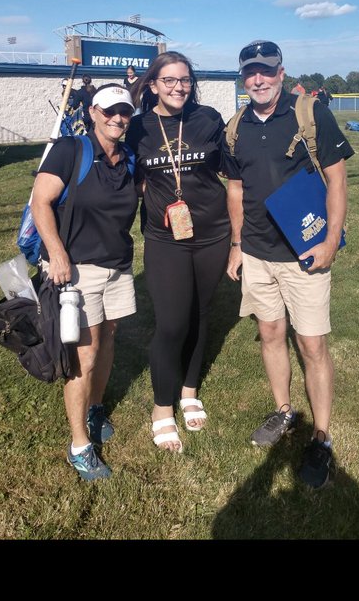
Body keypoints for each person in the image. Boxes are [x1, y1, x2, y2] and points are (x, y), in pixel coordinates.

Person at [223, 39, 354, 489]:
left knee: (313, 346)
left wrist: (332, 240)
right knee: (270, 334)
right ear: (243, 78)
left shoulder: (309, 112)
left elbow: (337, 178)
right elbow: (236, 188)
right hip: (258, 253)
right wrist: (238, 244)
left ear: (281, 72)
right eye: (250, 72)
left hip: (304, 255)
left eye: (266, 70)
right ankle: (283, 413)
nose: (258, 79)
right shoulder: (235, 125)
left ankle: (321, 437)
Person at [31, 83, 138, 481]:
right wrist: (57, 252)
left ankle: (95, 408)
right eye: (110, 111)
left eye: (125, 112)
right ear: (93, 111)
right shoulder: (70, 150)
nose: (118, 118)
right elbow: (40, 202)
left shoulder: (127, 158)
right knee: (85, 355)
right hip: (77, 270)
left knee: (108, 335)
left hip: (118, 266)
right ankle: (79, 445)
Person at [126, 52, 231, 452]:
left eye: (184, 80)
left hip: (213, 232)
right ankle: (161, 408)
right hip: (165, 236)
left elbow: (230, 171)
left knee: (200, 314)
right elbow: (129, 179)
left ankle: (189, 391)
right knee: (171, 323)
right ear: (153, 84)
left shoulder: (207, 119)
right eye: (169, 81)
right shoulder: (137, 128)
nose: (178, 87)